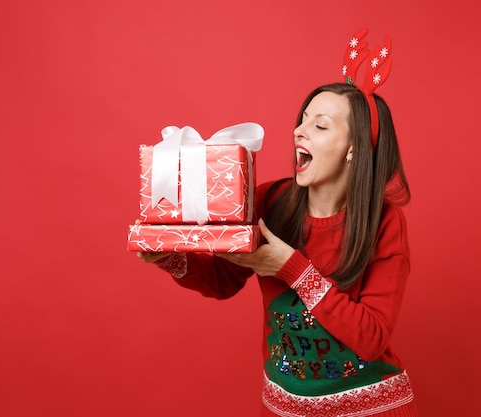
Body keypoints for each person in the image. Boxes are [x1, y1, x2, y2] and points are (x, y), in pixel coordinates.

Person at [138, 28, 417, 417]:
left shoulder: (385, 223)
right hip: (286, 408)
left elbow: (370, 338)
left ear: (354, 149)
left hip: (368, 409)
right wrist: (168, 257)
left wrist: (291, 269)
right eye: (302, 121)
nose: (298, 131)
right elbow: (223, 279)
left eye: (319, 126)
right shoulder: (270, 200)